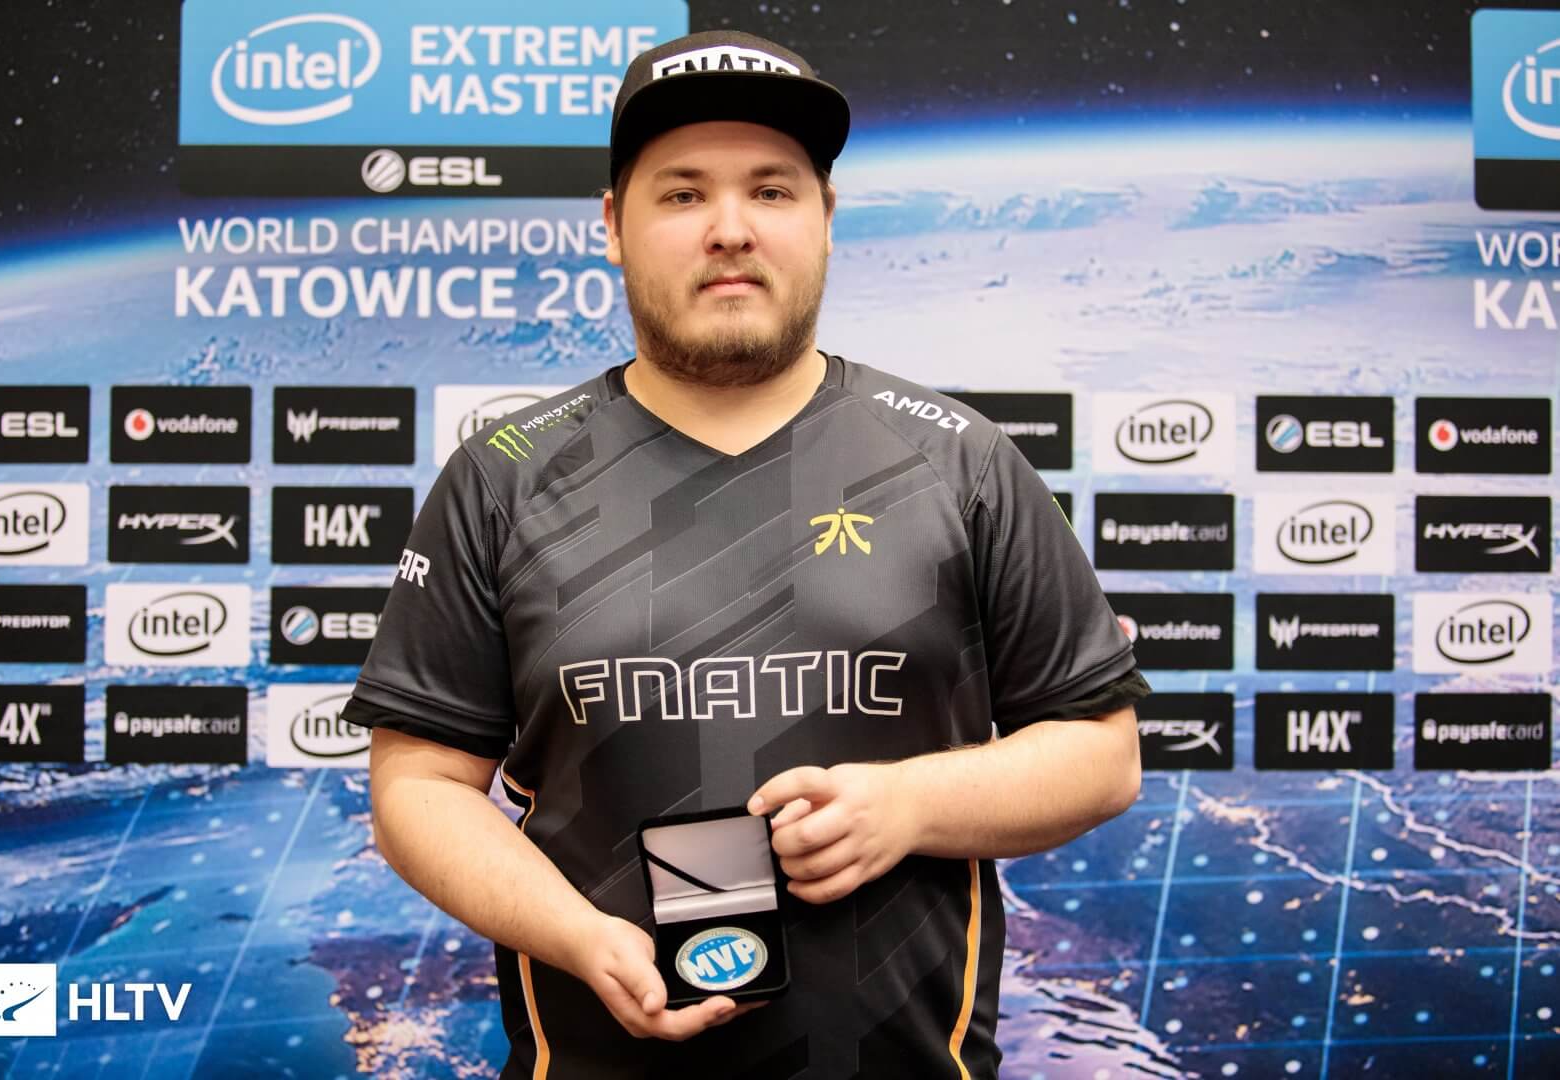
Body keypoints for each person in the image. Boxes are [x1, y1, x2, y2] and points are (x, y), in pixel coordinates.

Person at [342, 28, 1149, 1080]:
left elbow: (1102, 754)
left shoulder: (962, 462)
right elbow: (419, 789)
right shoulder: (502, 479)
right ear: (613, 226)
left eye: (772, 191)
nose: (730, 229)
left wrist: (908, 806)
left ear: (826, 220)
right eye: (683, 194)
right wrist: (577, 936)